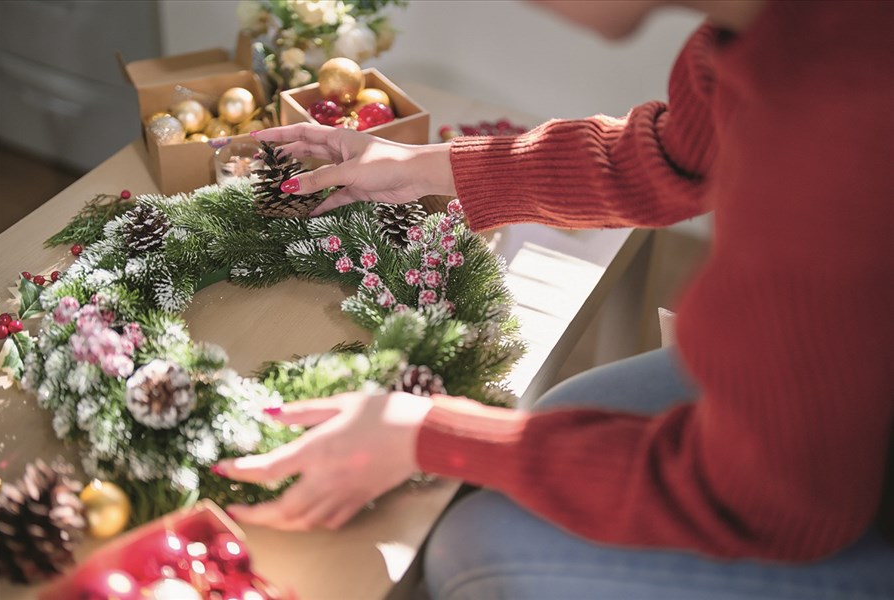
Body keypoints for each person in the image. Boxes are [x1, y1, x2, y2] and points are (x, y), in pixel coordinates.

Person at [211, 1, 894, 597]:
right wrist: (418, 167)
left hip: (829, 489)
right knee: (567, 416)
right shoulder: (769, 31)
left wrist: (427, 434)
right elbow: (671, 155)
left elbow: (773, 501)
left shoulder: (840, 123)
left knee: (478, 547)